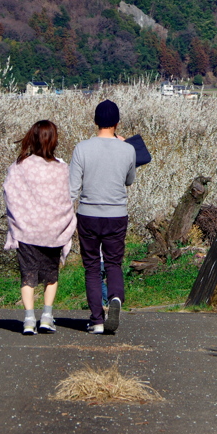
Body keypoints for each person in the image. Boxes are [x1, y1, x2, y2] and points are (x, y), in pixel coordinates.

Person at [3, 119, 76, 336]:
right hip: (53, 231)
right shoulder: (62, 168)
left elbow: (9, 194)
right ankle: (46, 316)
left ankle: (28, 320)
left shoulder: (19, 167)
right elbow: (67, 198)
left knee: (28, 275)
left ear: (32, 138)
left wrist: (18, 220)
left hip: (26, 230)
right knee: (51, 274)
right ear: (53, 140)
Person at [69, 99, 136, 335]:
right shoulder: (128, 149)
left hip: (88, 214)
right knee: (114, 263)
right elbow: (129, 181)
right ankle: (116, 298)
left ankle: (97, 319)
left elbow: (72, 188)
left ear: (95, 121)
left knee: (91, 268)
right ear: (117, 122)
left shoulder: (82, 148)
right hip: (117, 214)